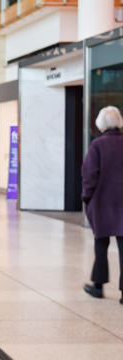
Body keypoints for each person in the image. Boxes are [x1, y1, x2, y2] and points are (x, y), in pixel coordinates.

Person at [81, 105, 123, 305]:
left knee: (101, 245)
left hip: (102, 203)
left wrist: (86, 198)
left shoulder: (97, 145)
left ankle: (98, 286)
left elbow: (89, 176)